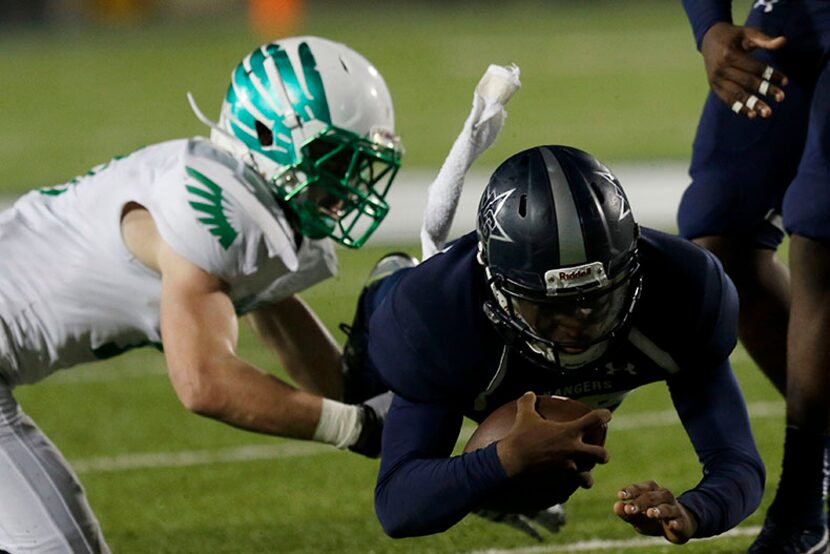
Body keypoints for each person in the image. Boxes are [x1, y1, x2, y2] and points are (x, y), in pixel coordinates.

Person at [0, 35, 402, 553]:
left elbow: (323, 375)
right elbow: (203, 383)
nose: (348, 185)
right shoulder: (218, 206)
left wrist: (442, 466)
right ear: (269, 133)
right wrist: (360, 428)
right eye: (334, 156)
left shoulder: (247, 200)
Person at [340, 145, 766, 544]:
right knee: (361, 389)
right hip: (458, 341)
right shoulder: (436, 314)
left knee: (532, 477)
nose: (579, 321)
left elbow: (738, 463)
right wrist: (504, 458)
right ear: (497, 286)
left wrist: (694, 512)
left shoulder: (685, 290)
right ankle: (384, 286)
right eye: (552, 306)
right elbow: (397, 506)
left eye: (598, 297)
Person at [678, 2, 830, 551]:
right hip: (795, 13)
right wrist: (709, 25)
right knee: (717, 231)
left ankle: (803, 503)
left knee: (818, 220)